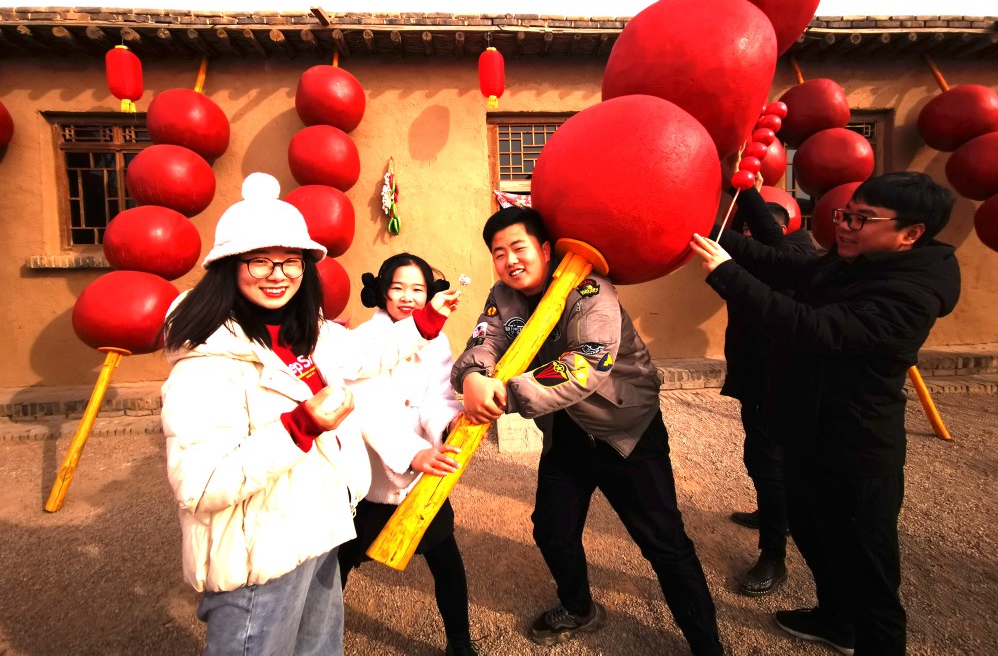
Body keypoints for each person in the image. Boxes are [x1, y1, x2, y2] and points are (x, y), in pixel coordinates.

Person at [159, 173, 460, 656]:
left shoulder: (308, 334)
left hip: (320, 532)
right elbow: (201, 483)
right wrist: (302, 426)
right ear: (228, 267)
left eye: (290, 261)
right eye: (260, 261)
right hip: (260, 556)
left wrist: (427, 320)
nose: (278, 274)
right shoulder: (208, 362)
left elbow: (365, 352)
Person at [690, 172, 961, 656]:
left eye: (862, 219)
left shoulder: (910, 293)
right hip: (807, 434)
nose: (846, 226)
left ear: (911, 233)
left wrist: (726, 274)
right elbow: (782, 264)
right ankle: (836, 622)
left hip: (854, 451)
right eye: (844, 214)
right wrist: (700, 227)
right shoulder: (854, 260)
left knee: (869, 578)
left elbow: (811, 327)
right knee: (817, 539)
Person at [454, 206, 724, 655]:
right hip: (567, 433)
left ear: (543, 249)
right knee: (552, 529)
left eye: (519, 248)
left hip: (627, 432)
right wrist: (472, 377)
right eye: (498, 253)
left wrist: (506, 393)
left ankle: (706, 644)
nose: (510, 261)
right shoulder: (503, 295)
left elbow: (586, 362)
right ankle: (578, 607)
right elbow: (485, 341)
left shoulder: (591, 288)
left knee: (665, 545)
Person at [338, 253, 477, 656]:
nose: (408, 297)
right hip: (373, 475)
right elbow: (366, 408)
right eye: (398, 287)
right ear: (382, 292)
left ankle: (460, 644)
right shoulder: (365, 338)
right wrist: (412, 453)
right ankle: (317, 636)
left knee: (445, 556)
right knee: (339, 560)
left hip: (422, 473)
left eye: (417, 289)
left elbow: (438, 396)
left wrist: (446, 427)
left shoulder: (438, 340)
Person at [722, 186, 815, 597]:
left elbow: (775, 251)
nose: (755, 241)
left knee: (768, 462)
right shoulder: (747, 262)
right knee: (759, 459)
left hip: (780, 382)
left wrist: (744, 194)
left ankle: (773, 555)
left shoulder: (800, 256)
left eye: (765, 230)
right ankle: (773, 515)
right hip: (753, 378)